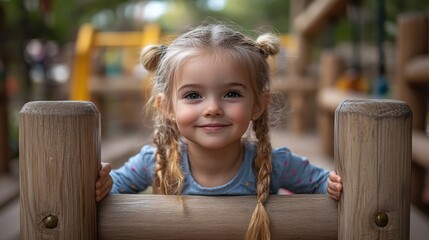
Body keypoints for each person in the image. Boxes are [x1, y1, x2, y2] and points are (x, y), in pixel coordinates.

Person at [95, 23, 342, 240]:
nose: (212, 108)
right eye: (193, 95)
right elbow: (110, 190)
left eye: (231, 94)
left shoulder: (274, 164)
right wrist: (103, 183)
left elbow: (322, 184)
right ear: (167, 107)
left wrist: (332, 185)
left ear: (258, 104)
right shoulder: (154, 162)